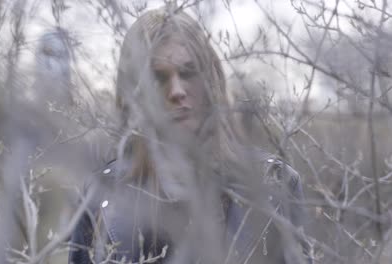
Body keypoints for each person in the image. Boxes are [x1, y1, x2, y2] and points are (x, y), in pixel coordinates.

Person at [69, 5, 311, 264]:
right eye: (158, 78)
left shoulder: (273, 185)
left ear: (212, 81)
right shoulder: (101, 197)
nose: (176, 91)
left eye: (188, 73)